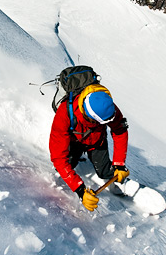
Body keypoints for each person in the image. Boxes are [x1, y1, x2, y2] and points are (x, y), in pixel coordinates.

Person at [49, 83, 130, 211]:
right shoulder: (64, 114)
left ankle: (118, 182)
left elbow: (120, 131)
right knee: (66, 166)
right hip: (73, 143)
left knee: (105, 172)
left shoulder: (108, 108)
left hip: (96, 142)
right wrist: (81, 191)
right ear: (91, 117)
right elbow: (59, 158)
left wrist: (119, 164)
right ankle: (78, 158)